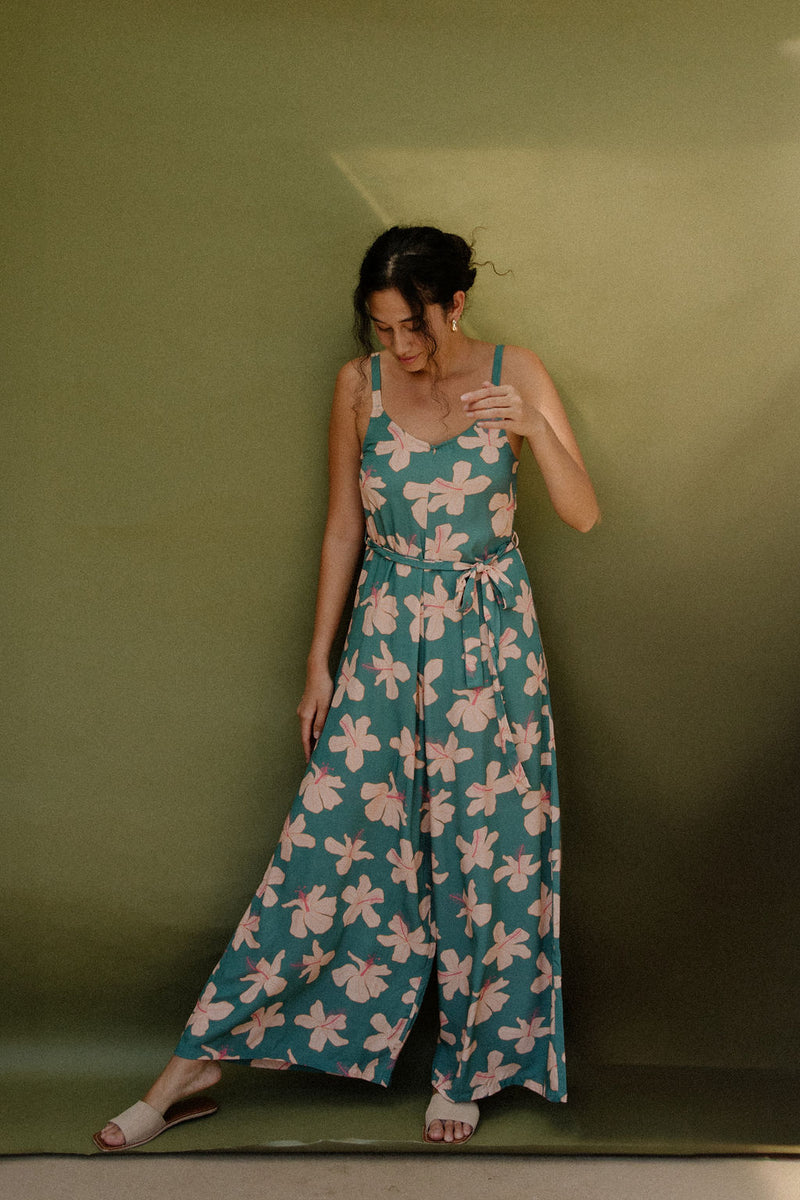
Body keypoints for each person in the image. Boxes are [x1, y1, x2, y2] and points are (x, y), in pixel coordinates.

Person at [94, 225, 600, 1152]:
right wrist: (319, 661)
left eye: (416, 327)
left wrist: (531, 428)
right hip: (384, 634)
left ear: (456, 305)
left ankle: (469, 1067)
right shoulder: (356, 387)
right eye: (382, 329)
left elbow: (582, 510)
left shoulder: (514, 371)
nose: (402, 349)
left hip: (489, 647)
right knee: (329, 844)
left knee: (487, 854)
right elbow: (341, 530)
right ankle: (195, 1065)